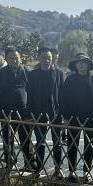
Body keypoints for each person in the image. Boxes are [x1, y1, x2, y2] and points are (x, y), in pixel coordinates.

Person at [0, 47, 33, 170]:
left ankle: (29, 162)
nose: (14, 60)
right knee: (8, 139)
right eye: (11, 58)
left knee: (26, 139)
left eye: (16, 58)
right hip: (6, 111)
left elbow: (32, 91)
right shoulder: (0, 73)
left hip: (24, 111)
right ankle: (9, 162)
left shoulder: (27, 72)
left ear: (20, 58)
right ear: (6, 59)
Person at [59, 54, 93, 183]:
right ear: (75, 65)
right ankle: (71, 171)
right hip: (73, 117)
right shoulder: (70, 80)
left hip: (90, 118)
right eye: (79, 62)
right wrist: (65, 117)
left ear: (88, 65)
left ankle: (86, 172)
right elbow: (63, 99)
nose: (82, 65)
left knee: (89, 145)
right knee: (72, 144)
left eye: (84, 62)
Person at [27, 46, 65, 176]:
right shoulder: (32, 75)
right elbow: (30, 95)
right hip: (38, 113)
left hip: (56, 112)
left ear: (52, 58)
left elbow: (62, 94)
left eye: (48, 58)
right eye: (43, 58)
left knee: (57, 142)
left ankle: (58, 168)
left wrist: (62, 112)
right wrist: (31, 112)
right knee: (40, 142)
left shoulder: (59, 73)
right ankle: (39, 168)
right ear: (38, 58)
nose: (46, 60)